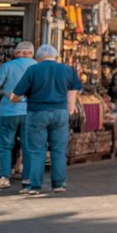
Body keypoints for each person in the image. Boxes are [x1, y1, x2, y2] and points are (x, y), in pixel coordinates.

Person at [8, 44, 81, 196]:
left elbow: (16, 95)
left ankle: (34, 185)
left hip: (37, 113)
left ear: (38, 57)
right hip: (60, 113)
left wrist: (14, 98)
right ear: (56, 56)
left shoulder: (33, 70)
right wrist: (69, 110)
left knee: (36, 150)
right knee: (58, 149)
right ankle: (59, 184)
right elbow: (72, 94)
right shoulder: (68, 70)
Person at [0, 41, 36, 191]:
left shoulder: (7, 67)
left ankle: (4, 177)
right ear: (31, 53)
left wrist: (6, 92)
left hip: (9, 111)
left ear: (18, 53)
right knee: (28, 147)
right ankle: (27, 179)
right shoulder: (38, 67)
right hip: (30, 112)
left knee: (5, 145)